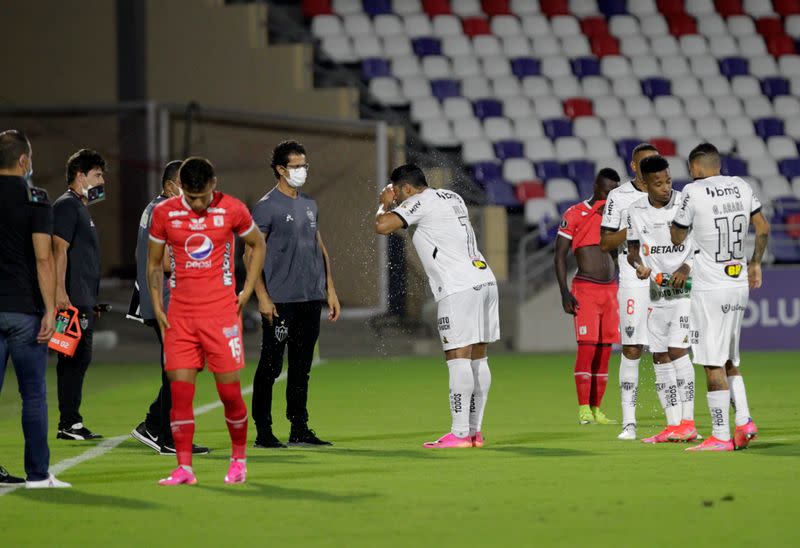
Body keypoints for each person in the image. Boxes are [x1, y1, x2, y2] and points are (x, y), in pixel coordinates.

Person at [148, 157, 266, 485]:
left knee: (229, 395)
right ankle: (184, 468)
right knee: (181, 395)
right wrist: (158, 305)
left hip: (220, 316)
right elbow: (154, 263)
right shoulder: (164, 213)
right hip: (181, 318)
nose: (197, 204)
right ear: (180, 188)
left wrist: (247, 290)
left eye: (202, 197)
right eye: (190, 197)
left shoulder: (233, 209)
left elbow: (258, 244)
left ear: (214, 184)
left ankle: (238, 459)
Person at [375, 164, 499, 448]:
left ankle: (458, 434)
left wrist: (384, 205)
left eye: (398, 193)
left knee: (458, 357)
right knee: (479, 358)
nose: (399, 199)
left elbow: (382, 226)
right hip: (484, 278)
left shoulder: (418, 201)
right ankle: (474, 432)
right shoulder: (451, 196)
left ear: (406, 188)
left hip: (458, 287)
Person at [671, 143, 770, 452]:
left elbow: (677, 236)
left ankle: (720, 435)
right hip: (737, 281)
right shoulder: (741, 185)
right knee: (729, 358)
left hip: (709, 288)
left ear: (696, 168)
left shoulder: (692, 190)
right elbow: (763, 228)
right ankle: (744, 421)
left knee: (711, 362)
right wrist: (754, 262)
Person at [249, 140, 340, 449]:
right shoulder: (266, 206)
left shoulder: (309, 204)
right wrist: (261, 296)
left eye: (304, 165)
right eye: (297, 166)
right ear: (280, 169)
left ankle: (299, 429)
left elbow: (318, 245)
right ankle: (263, 431)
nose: (302, 171)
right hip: (280, 300)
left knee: (301, 367)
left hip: (309, 298)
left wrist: (330, 288)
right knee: (271, 366)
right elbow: (250, 256)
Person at [0, 130, 69, 488]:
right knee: (33, 395)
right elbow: (44, 259)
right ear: (24, 161)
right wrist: (48, 310)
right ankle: (38, 475)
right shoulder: (35, 197)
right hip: (24, 311)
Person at [128, 161, 209, 456]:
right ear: (171, 185)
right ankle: (167, 437)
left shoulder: (153, 209)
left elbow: (140, 253)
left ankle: (153, 425)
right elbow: (162, 261)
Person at [626, 155, 698, 444]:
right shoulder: (635, 211)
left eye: (668, 180)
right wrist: (639, 266)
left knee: (678, 349)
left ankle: (689, 421)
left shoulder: (685, 203)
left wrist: (685, 267)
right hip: (657, 291)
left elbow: (702, 244)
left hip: (687, 287)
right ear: (644, 184)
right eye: (658, 183)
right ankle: (673, 424)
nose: (666, 187)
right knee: (659, 355)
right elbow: (632, 251)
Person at [599, 143, 659, 440]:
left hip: (663, 283)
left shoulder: (669, 196)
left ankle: (677, 421)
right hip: (633, 281)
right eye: (644, 163)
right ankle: (629, 422)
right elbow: (607, 243)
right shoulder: (619, 197)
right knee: (633, 349)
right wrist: (636, 227)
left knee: (668, 351)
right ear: (634, 166)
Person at [555, 168, 621, 425]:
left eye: (613, 192)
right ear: (595, 186)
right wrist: (564, 292)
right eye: (605, 191)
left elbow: (617, 253)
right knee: (587, 349)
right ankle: (583, 408)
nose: (609, 196)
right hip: (586, 289)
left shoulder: (615, 217)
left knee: (605, 351)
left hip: (611, 290)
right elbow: (559, 255)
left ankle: (597, 409)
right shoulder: (575, 213)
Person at [52, 149, 107, 441]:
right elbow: (58, 249)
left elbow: (82, 258)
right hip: (69, 299)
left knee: (75, 358)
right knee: (73, 358)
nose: (102, 180)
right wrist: (61, 293)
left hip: (80, 297)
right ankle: (69, 423)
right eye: (97, 174)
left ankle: (69, 422)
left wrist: (91, 299)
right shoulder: (66, 206)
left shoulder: (80, 208)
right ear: (80, 175)